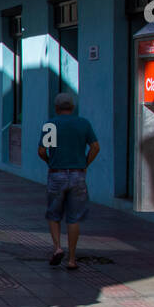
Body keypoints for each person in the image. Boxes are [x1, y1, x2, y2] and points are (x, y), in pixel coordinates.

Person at [38, 91, 99, 270]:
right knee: (73, 218)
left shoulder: (52, 125)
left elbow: (42, 150)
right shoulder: (83, 124)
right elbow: (95, 147)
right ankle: (72, 259)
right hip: (78, 174)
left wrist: (50, 161)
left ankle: (57, 247)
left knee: (53, 214)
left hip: (56, 173)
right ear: (72, 107)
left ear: (56, 108)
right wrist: (85, 163)